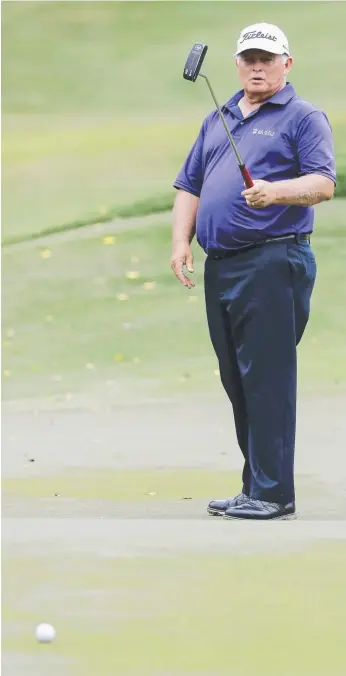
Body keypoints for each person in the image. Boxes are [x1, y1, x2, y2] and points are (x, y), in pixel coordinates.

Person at [170, 22, 336, 520]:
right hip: (222, 266)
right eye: (249, 59)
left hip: (272, 259)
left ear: (287, 63)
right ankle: (255, 486)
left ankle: (273, 494)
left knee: (266, 378)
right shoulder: (217, 117)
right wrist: (181, 239)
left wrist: (276, 191)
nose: (257, 67)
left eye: (267, 59)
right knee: (237, 379)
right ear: (237, 65)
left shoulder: (303, 117)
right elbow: (190, 184)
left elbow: (324, 183)